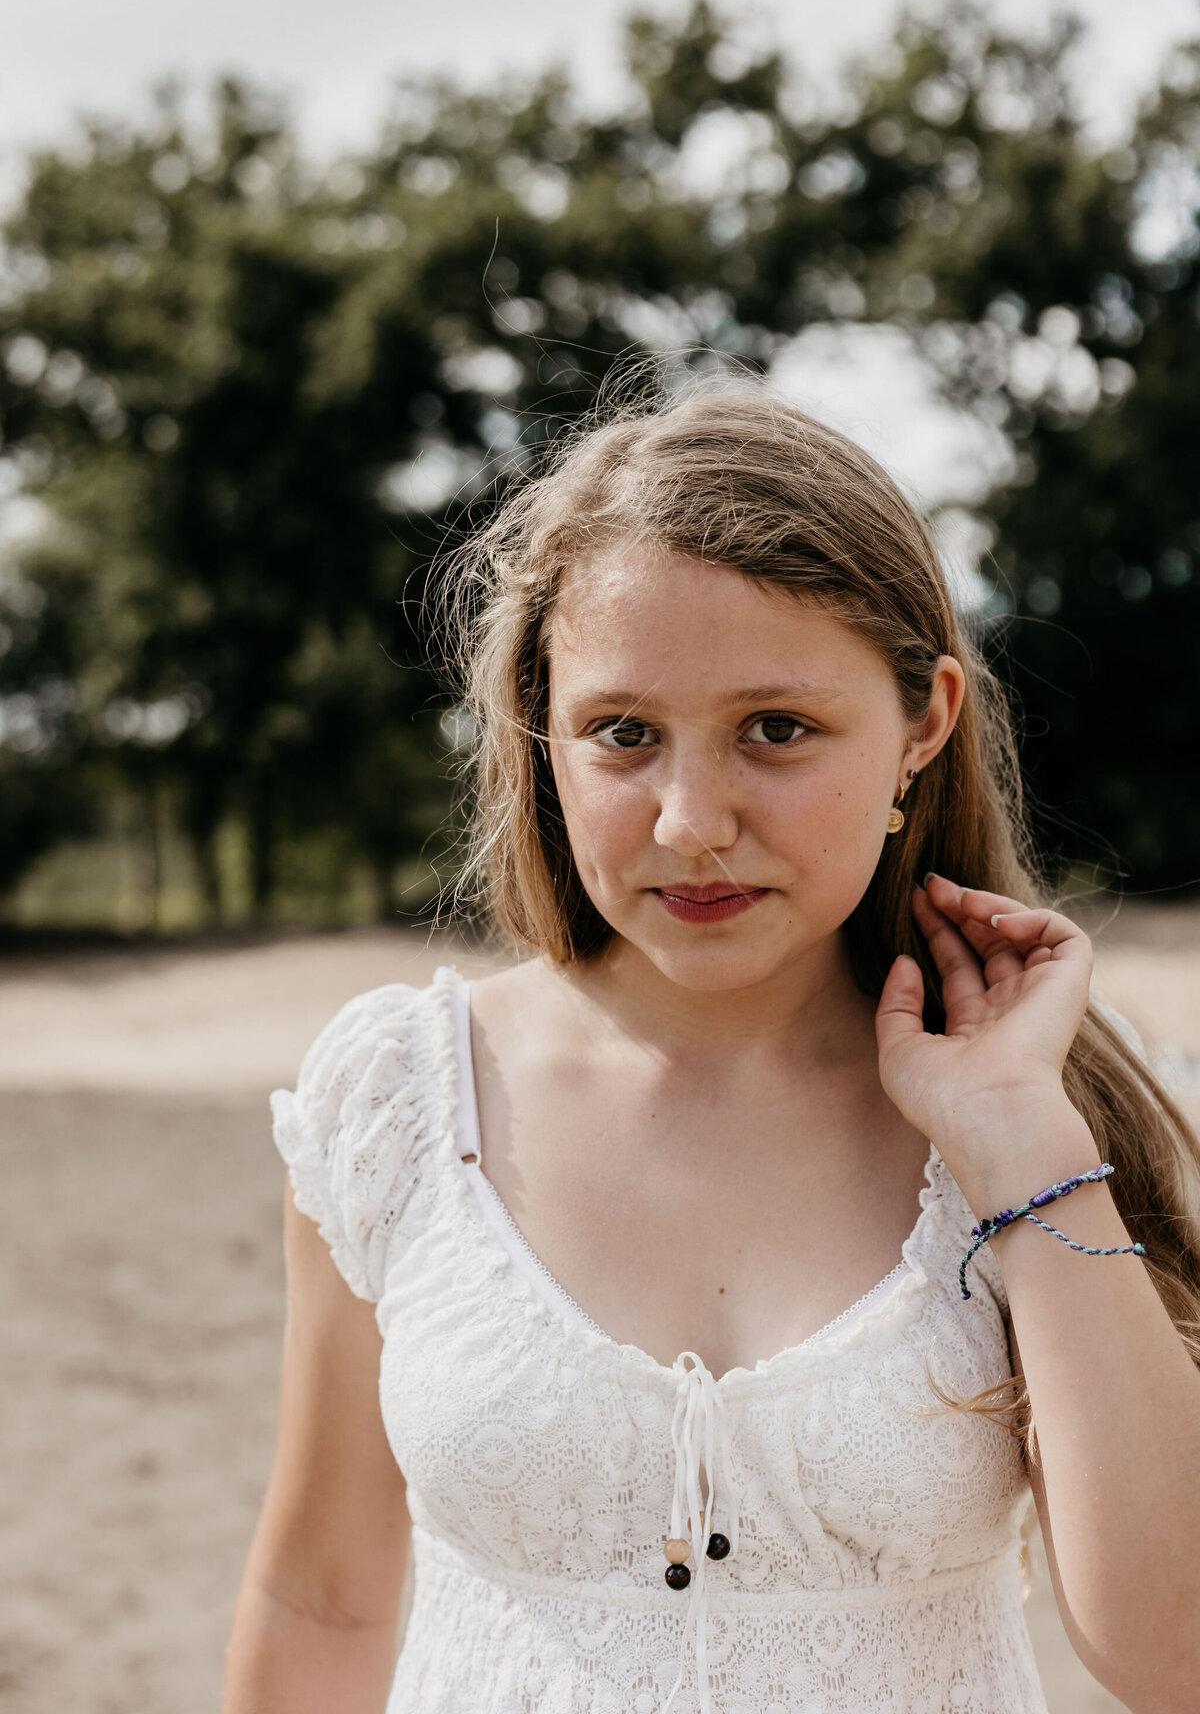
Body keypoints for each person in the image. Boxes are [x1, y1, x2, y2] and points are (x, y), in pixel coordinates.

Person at [222, 380, 1200, 1714]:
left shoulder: (1042, 1104)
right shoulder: (398, 1098)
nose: (692, 821)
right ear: (540, 731)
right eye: (623, 734)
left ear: (924, 722)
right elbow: (319, 1597)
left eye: (775, 729)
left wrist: (1023, 1141)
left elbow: (1177, 1655)